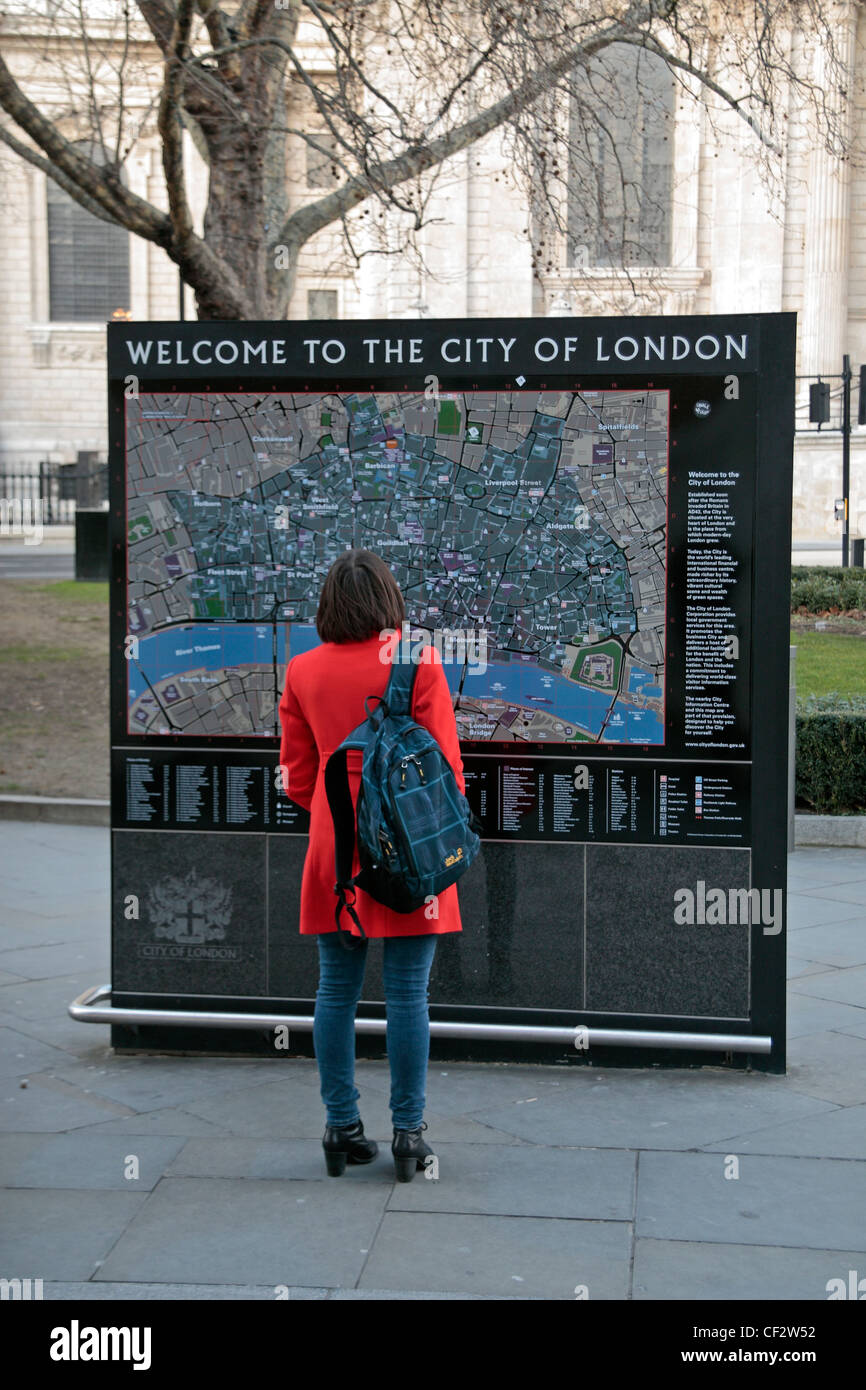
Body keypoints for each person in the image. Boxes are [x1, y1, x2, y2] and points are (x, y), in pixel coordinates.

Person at [278, 548, 466, 1181]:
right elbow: (444, 767)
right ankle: (409, 1135)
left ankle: (341, 1127)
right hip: (411, 843)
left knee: (336, 988)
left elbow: (298, 779)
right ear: (388, 599)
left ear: (329, 604)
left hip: (336, 845)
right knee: (409, 992)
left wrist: (340, 811)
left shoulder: (303, 669)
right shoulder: (418, 662)